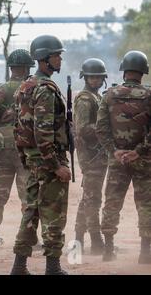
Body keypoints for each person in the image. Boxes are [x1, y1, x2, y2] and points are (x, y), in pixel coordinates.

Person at [10, 35, 70, 275]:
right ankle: (53, 267)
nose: (60, 59)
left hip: (34, 160)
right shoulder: (45, 89)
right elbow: (42, 131)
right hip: (47, 161)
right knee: (53, 213)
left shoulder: (27, 86)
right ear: (44, 59)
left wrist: (27, 157)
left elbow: (19, 127)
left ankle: (19, 266)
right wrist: (56, 165)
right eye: (57, 55)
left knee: (31, 211)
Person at [96, 50, 151, 264]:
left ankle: (108, 248)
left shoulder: (109, 95)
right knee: (146, 203)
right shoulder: (149, 96)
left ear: (124, 70)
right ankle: (145, 252)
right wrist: (139, 151)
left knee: (112, 201)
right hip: (144, 160)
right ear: (143, 72)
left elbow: (101, 129)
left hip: (117, 160)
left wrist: (114, 151)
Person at [0, 49, 33, 250]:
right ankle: (30, 236)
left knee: (0, 192)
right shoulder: (31, 89)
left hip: (2, 148)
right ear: (26, 68)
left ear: (11, 68)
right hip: (24, 148)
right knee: (27, 194)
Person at [73, 58, 108, 255]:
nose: (95, 79)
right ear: (85, 77)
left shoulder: (95, 96)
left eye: (98, 76)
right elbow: (83, 129)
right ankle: (96, 241)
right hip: (91, 156)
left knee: (88, 197)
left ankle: (78, 239)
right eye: (92, 76)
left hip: (96, 154)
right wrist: (106, 128)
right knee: (93, 198)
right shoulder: (86, 99)